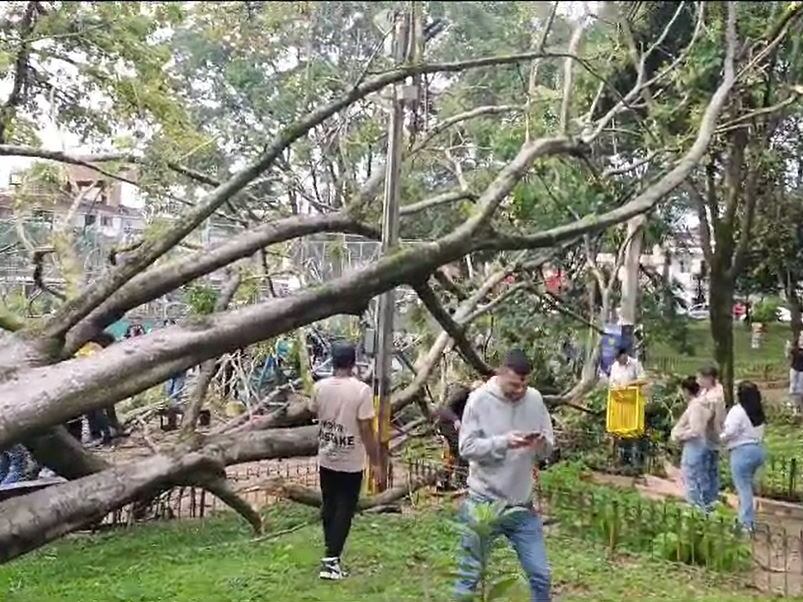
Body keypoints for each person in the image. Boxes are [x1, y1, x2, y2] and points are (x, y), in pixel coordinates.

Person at [455, 349, 554, 602]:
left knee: (541, 574)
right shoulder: (478, 400)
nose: (519, 390)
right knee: (469, 576)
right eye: (513, 384)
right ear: (500, 373)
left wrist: (541, 444)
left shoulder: (535, 399)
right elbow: (466, 448)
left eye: (524, 384)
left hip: (522, 506)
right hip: (484, 504)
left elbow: (548, 448)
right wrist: (503, 443)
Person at [309, 343, 379, 581]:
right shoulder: (361, 391)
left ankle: (331, 556)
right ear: (354, 362)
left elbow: (315, 413)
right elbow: (366, 429)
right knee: (344, 510)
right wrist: (376, 460)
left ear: (332, 361)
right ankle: (331, 560)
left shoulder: (319, 387)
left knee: (329, 505)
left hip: (327, 455)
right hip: (351, 460)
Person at [721, 381, 766, 531]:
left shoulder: (738, 410)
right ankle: (743, 518)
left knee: (743, 488)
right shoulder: (758, 410)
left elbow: (730, 431)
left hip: (742, 452)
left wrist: (719, 438)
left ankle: (746, 524)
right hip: (757, 449)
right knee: (747, 486)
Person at [670, 376, 709, 509]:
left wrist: (679, 435)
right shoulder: (696, 405)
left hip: (695, 446)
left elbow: (695, 430)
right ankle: (697, 506)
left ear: (686, 391)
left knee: (691, 477)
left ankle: (696, 508)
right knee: (692, 477)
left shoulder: (696, 406)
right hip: (695, 445)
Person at [608, 347, 648, 468]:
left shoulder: (635, 364)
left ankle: (635, 462)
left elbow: (643, 379)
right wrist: (617, 387)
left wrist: (629, 384)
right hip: (621, 403)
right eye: (617, 360)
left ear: (625, 355)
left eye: (621, 359)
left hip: (633, 403)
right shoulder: (615, 366)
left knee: (633, 431)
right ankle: (622, 460)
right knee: (621, 431)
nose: (619, 362)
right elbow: (612, 383)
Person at [697, 366, 726, 508]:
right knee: (712, 469)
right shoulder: (709, 391)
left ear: (708, 379)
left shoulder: (713, 397)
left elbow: (710, 418)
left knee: (706, 469)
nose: (698, 380)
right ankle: (712, 498)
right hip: (711, 436)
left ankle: (707, 501)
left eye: (700, 377)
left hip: (709, 436)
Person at [434, 384, 471, 490]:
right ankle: (459, 481)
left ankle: (445, 482)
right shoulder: (463, 394)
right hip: (448, 424)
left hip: (456, 426)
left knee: (455, 452)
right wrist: (456, 420)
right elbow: (445, 409)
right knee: (459, 450)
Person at [787, 335, 803, 414]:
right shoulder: (795, 349)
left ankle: (798, 406)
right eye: (800, 338)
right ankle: (792, 403)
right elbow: (788, 356)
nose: (801, 339)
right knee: (792, 386)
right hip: (794, 369)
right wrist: (787, 349)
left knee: (800, 388)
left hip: (802, 371)